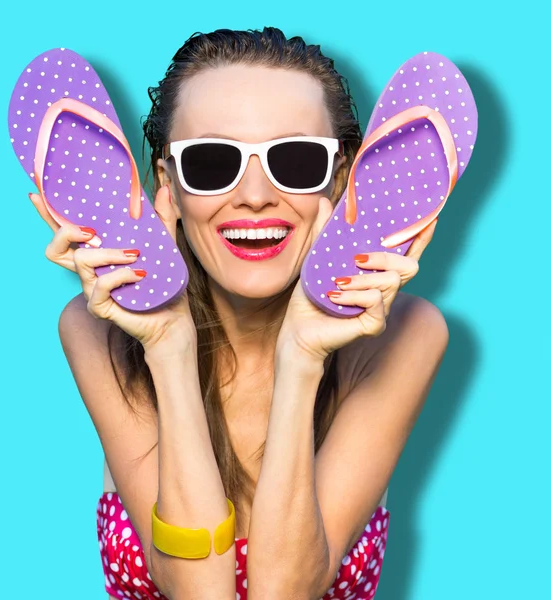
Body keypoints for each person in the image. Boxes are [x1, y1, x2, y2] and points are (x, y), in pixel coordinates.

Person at [29, 27, 448, 600]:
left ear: (344, 178)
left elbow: (285, 591)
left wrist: (302, 356)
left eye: (297, 160)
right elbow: (196, 590)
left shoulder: (407, 337)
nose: (254, 194)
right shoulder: (95, 329)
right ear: (167, 186)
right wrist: (168, 344)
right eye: (211, 163)